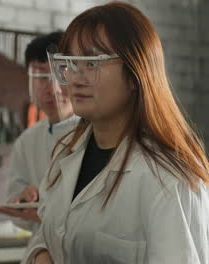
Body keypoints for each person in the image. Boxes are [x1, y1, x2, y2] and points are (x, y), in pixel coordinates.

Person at [25, 2, 209, 264]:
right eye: (71, 63)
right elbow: (49, 231)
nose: (75, 78)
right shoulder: (66, 154)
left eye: (91, 63)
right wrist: (41, 253)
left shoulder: (171, 179)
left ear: (135, 74)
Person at [0, 32, 78, 232]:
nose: (53, 89)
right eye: (41, 77)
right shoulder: (27, 141)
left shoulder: (100, 133)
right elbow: (16, 206)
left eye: (61, 74)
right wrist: (23, 202)